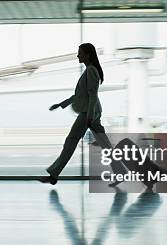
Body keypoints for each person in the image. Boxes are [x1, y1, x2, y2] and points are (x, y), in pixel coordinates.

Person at [39, 43, 127, 185]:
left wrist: (89, 116)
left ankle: (54, 175)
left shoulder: (91, 71)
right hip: (91, 112)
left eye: (80, 53)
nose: (77, 55)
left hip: (88, 113)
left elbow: (92, 95)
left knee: (71, 141)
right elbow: (79, 96)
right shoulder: (89, 71)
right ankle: (120, 172)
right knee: (104, 145)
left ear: (88, 55)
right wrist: (61, 104)